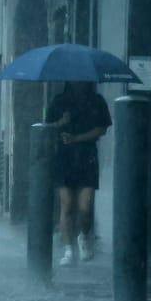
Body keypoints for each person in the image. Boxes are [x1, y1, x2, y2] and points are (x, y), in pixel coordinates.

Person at [45, 81, 112, 265]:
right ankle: (68, 250)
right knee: (66, 205)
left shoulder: (97, 101)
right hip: (64, 158)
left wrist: (77, 138)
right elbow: (46, 128)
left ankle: (83, 236)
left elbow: (103, 128)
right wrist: (61, 123)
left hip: (87, 157)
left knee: (85, 206)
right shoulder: (59, 102)